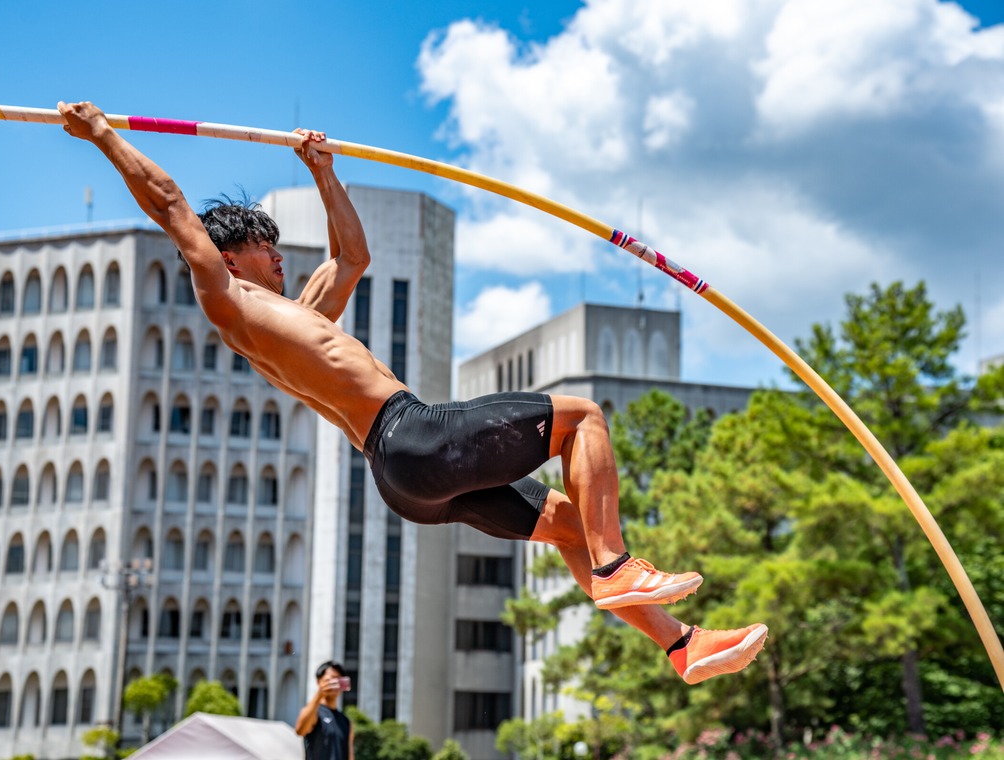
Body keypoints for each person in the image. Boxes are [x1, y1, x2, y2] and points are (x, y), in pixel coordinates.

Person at [58, 101, 768, 683]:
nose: (276, 254)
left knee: (565, 524)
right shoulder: (229, 301)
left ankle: (682, 647)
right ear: (228, 257)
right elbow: (170, 202)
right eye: (262, 246)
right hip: (413, 434)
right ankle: (616, 565)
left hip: (403, 478)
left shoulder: (296, 319)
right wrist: (103, 136)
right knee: (582, 418)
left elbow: (353, 256)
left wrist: (323, 173)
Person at [296, 661, 354, 760]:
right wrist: (319, 694)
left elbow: (350, 756)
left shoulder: (346, 722)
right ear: (319, 681)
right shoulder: (314, 712)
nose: (334, 683)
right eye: (330, 679)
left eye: (338, 679)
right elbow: (300, 730)